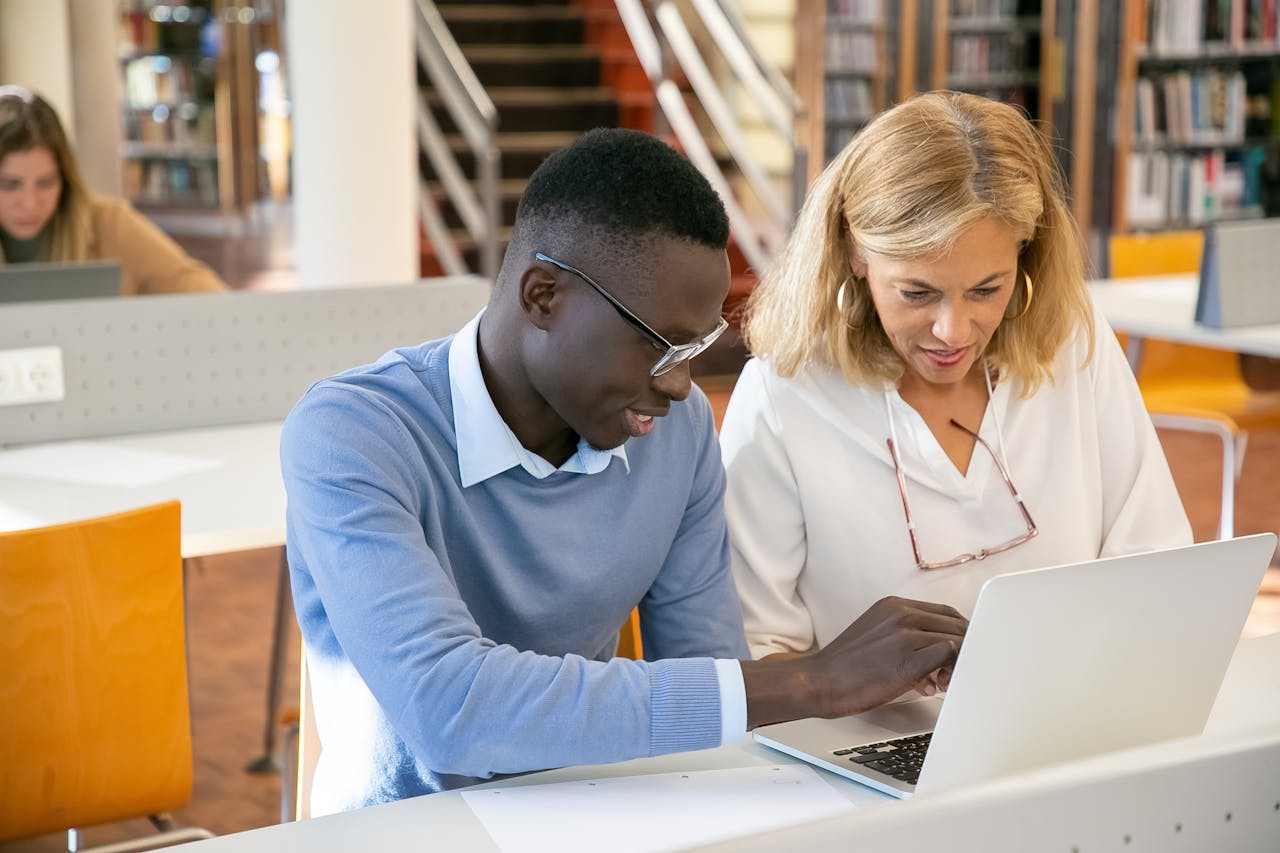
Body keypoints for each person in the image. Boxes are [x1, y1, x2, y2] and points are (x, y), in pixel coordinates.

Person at [281, 127, 967, 815]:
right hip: (400, 832)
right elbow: (451, 709)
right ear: (542, 296)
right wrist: (812, 680)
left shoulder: (679, 430)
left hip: (594, 816)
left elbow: (708, 691)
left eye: (695, 347)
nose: (680, 385)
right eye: (658, 344)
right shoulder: (351, 435)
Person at [719, 91, 1192, 661]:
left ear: (1026, 251)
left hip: (1075, 720)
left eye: (987, 290)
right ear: (855, 253)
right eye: (917, 293)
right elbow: (757, 654)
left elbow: (1157, 562)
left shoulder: (1073, 337)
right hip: (868, 738)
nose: (954, 331)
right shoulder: (782, 396)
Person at [0, 85, 226, 294]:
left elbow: (201, 288)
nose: (30, 203)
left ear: (65, 179)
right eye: (9, 184)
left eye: (46, 182)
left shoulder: (108, 222)